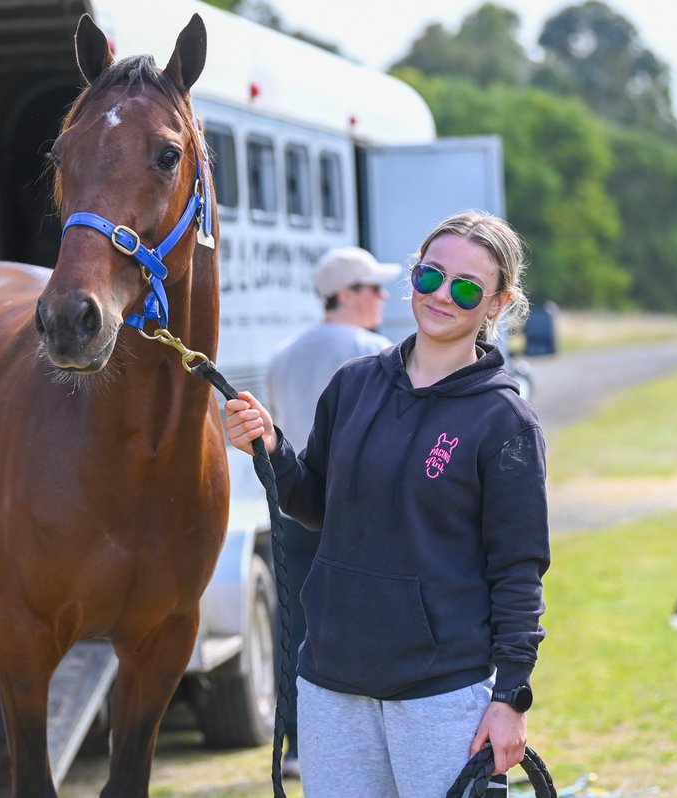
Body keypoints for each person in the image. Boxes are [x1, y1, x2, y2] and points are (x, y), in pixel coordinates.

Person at [226, 211, 549, 798]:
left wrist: (510, 699)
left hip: (441, 694)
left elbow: (518, 573)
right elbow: (316, 504)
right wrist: (272, 448)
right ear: (413, 278)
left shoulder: (505, 422)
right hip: (330, 685)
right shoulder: (353, 385)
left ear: (497, 304)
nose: (443, 296)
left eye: (467, 287)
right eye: (431, 276)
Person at [265, 245, 400, 779]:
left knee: (298, 625)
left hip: (296, 504)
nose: (383, 298)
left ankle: (301, 745)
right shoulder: (377, 349)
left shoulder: (283, 354)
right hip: (357, 512)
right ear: (346, 294)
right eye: (373, 289)